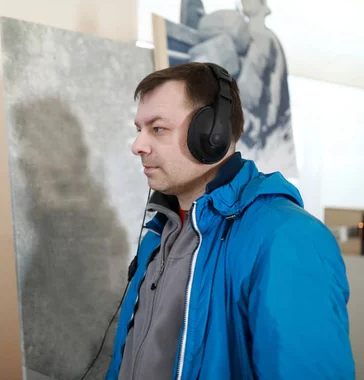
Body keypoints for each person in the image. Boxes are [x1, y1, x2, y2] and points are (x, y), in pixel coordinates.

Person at [105, 62, 354, 379]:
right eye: (139, 130)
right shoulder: (159, 235)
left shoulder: (288, 237)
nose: (137, 145)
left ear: (212, 135)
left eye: (157, 129)